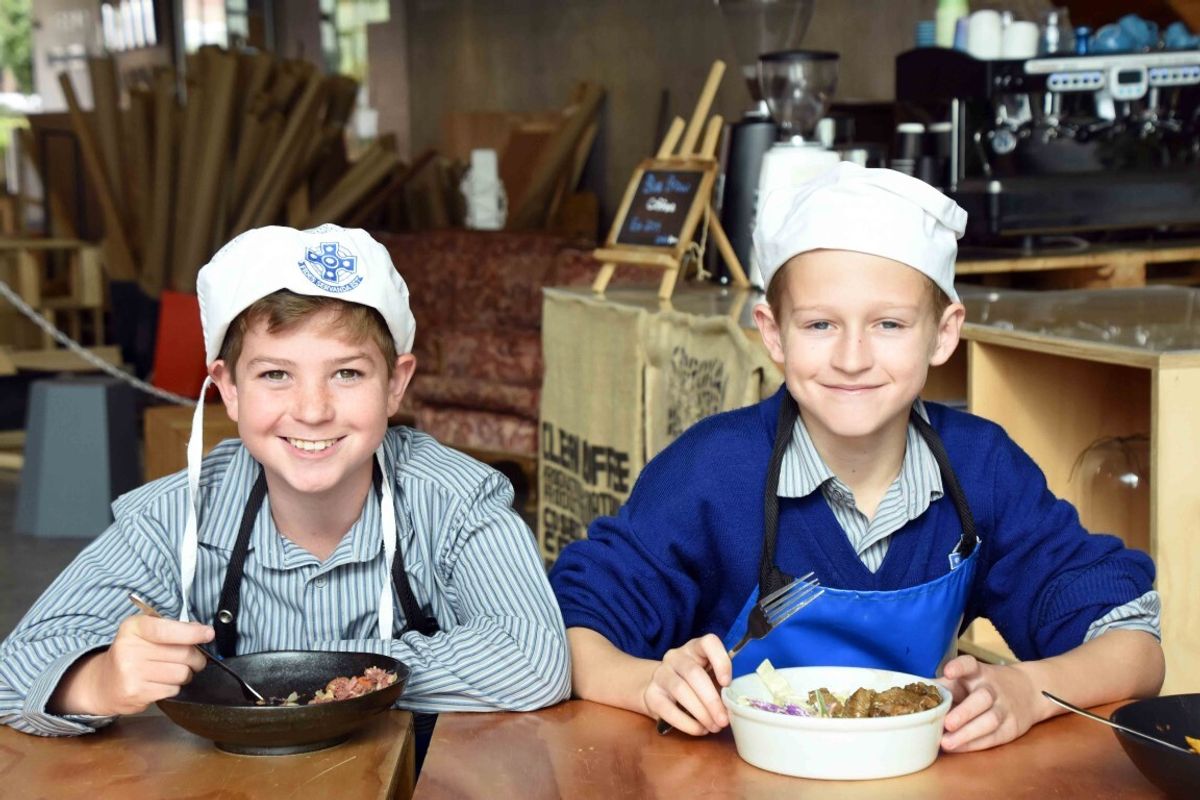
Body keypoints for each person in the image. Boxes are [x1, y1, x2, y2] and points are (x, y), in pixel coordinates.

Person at [548, 163, 1164, 752]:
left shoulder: (984, 470)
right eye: (820, 325)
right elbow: (567, 634)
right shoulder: (710, 472)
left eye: (889, 324)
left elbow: (1136, 649)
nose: (852, 358)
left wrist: (1030, 690)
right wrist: (648, 684)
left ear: (943, 332)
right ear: (773, 332)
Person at [0, 224, 570, 761]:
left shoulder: (455, 500)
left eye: (347, 373)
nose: (313, 410)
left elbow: (535, 659)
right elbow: (12, 673)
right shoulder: (173, 518)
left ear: (395, 384)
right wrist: (97, 680)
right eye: (275, 374)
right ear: (229, 388)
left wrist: (326, 677)